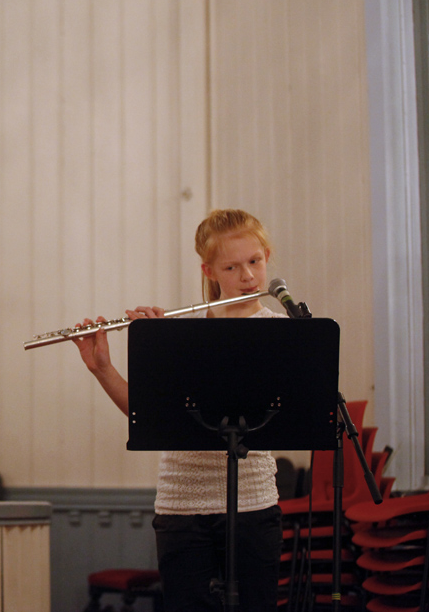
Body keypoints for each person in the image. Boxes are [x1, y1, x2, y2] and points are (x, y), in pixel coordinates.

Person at [73, 208, 283, 611]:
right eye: (232, 266)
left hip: (254, 502)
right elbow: (148, 415)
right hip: (181, 506)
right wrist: (104, 369)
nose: (248, 277)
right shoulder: (179, 332)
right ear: (209, 270)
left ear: (267, 256)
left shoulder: (283, 330)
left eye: (255, 262)